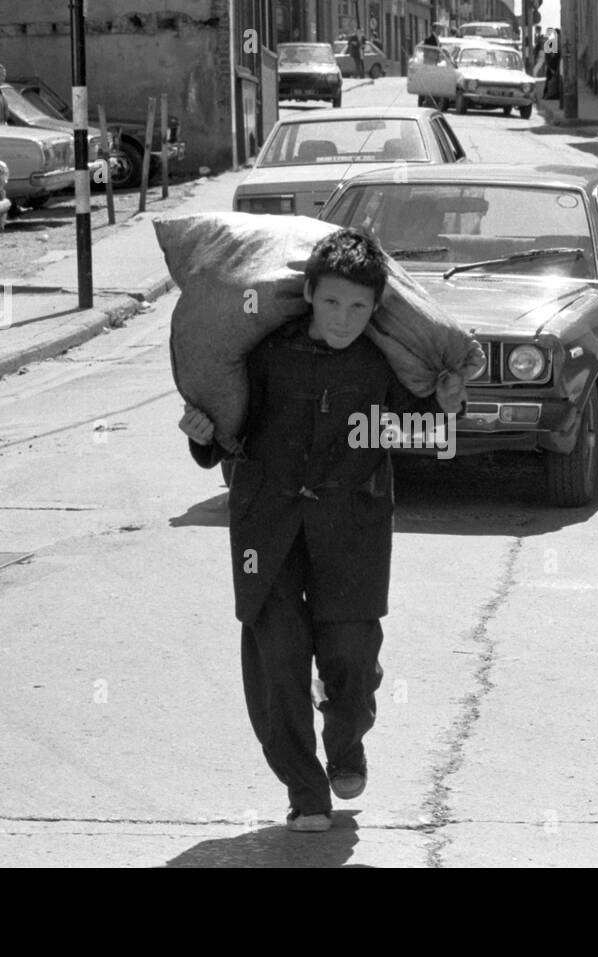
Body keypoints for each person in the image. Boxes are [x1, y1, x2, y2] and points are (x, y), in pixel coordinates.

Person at [179, 229, 464, 833]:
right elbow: (229, 431)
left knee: (353, 663)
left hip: (353, 528)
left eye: (359, 307)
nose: (344, 318)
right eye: (332, 302)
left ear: (375, 309)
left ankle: (346, 744)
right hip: (267, 527)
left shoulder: (379, 365)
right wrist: (200, 436)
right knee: (277, 661)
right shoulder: (265, 355)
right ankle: (307, 793)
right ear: (309, 293)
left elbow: (417, 437)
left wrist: (445, 408)